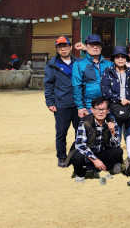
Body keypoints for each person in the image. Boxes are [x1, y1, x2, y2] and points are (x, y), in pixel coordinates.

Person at [65, 96, 124, 183]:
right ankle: (80, 174)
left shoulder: (111, 121)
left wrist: (113, 132)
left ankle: (100, 170)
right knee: (77, 157)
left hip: (101, 151)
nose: (100, 112)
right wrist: (95, 160)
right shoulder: (84, 122)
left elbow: (116, 144)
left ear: (108, 110)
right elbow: (80, 144)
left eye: (103, 109)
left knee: (118, 151)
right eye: (97, 109)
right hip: (87, 153)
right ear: (92, 110)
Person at [44, 36, 81, 167]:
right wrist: (50, 102)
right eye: (60, 47)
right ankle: (61, 156)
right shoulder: (52, 65)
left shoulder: (78, 62)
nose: (63, 49)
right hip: (61, 103)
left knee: (80, 131)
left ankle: (78, 154)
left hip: (78, 103)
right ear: (57, 49)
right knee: (61, 132)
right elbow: (48, 84)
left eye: (65, 46)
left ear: (70, 47)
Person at [100, 46, 130, 137]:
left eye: (123, 57)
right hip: (114, 109)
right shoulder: (108, 71)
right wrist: (119, 100)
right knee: (115, 138)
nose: (120, 59)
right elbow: (105, 92)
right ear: (114, 59)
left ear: (126, 58)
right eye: (117, 57)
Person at [72, 34, 113, 117]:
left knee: (110, 125)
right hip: (89, 105)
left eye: (98, 44)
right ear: (86, 46)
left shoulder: (109, 64)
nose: (95, 47)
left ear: (101, 47)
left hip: (108, 105)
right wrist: (80, 107)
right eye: (92, 44)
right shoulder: (79, 64)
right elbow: (76, 86)